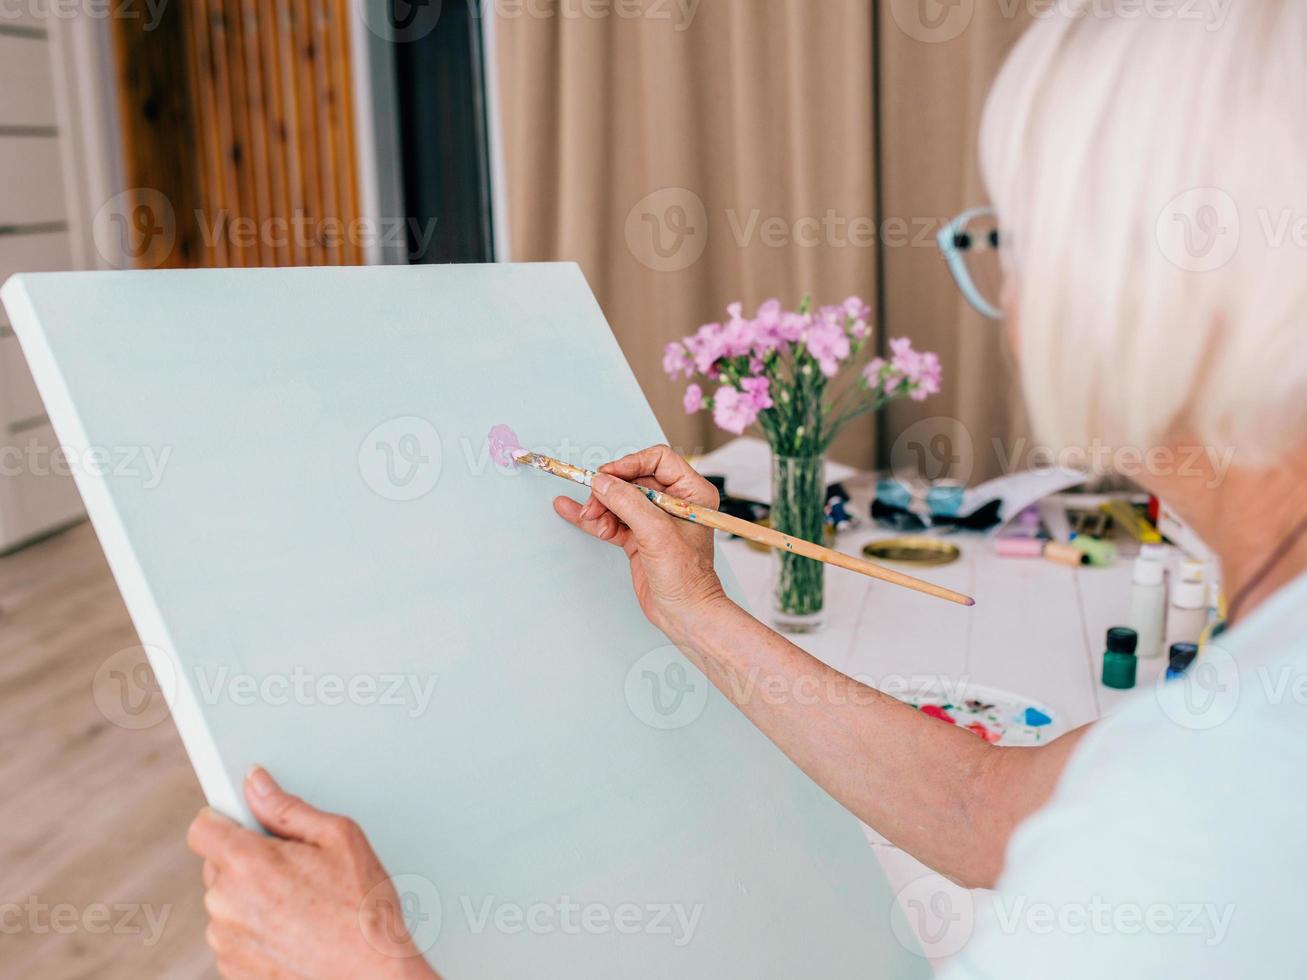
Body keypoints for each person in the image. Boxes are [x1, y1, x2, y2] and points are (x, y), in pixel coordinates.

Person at [187, 3, 1307, 976]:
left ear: (1160, 281)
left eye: (1011, 238)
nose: (1004, 299)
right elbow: (987, 809)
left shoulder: (1219, 800)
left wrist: (370, 964)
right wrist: (698, 610)